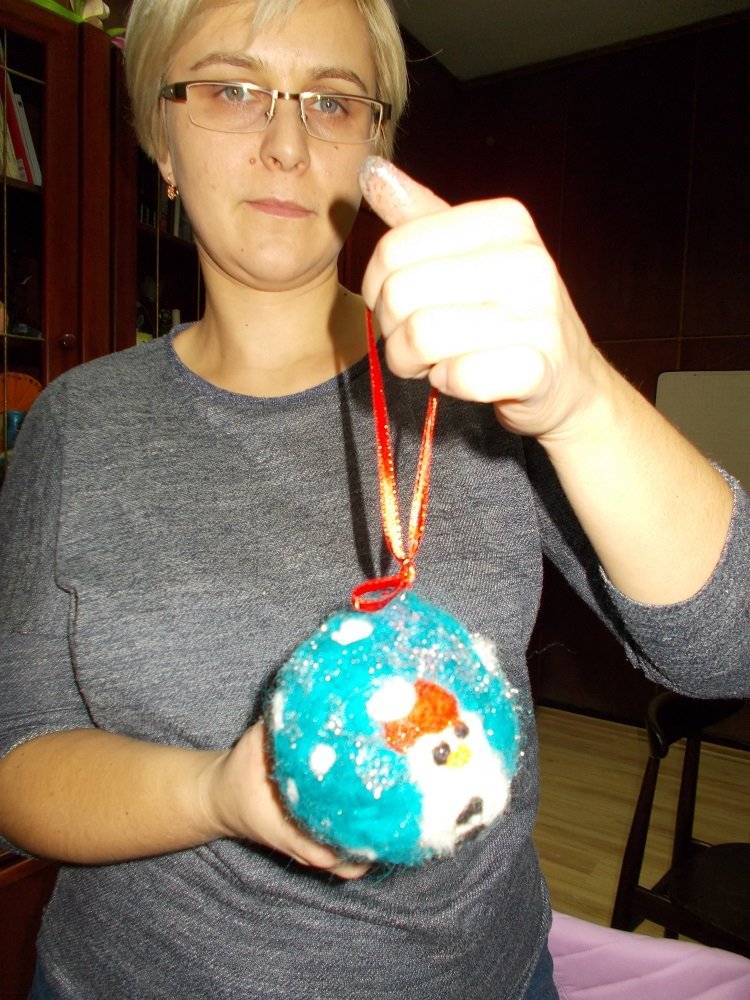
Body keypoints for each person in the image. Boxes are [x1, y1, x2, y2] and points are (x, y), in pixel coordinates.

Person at [0, 0, 747, 997]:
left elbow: (726, 650)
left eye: (333, 101)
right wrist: (215, 793)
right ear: (160, 140)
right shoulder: (76, 422)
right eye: (231, 89)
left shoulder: (479, 382)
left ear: (376, 147)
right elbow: (19, 759)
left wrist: (582, 402)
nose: (286, 144)